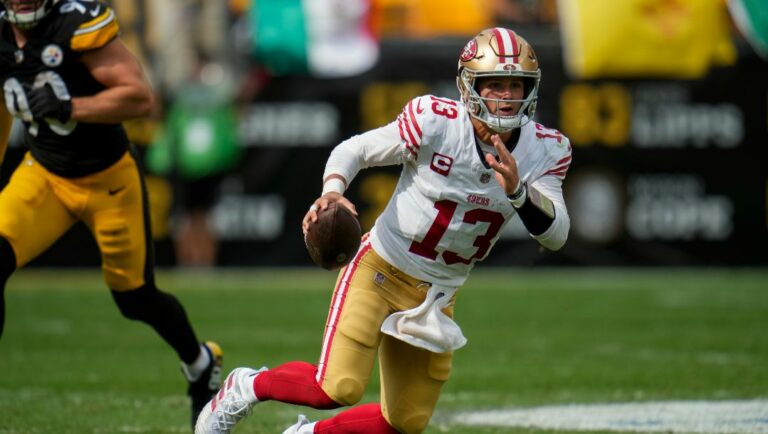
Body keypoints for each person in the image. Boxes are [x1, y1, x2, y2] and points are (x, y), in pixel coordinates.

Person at [196, 27, 571, 434]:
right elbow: (353, 149)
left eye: (515, 86)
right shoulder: (437, 122)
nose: (505, 96)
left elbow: (556, 234)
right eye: (494, 84)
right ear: (469, 85)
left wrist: (518, 192)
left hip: (437, 294)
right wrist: (333, 191)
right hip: (381, 266)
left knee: (402, 424)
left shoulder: (546, 149)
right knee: (336, 387)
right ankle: (246, 386)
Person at [0, 0, 222, 428]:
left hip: (107, 180)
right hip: (44, 174)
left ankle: (200, 363)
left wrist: (70, 107)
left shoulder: (74, 22)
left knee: (135, 297)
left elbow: (140, 97)